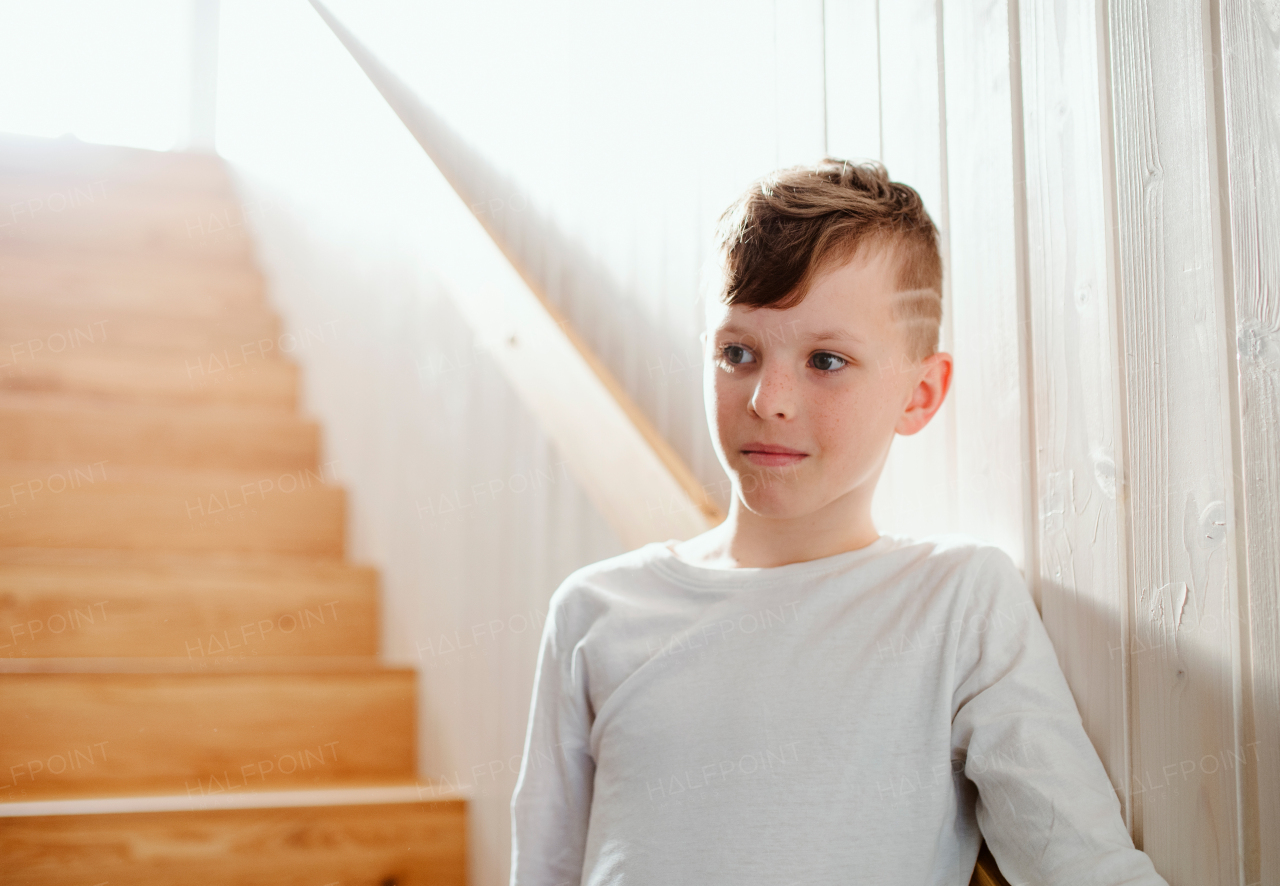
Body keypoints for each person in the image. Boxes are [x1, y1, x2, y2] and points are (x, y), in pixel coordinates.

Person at [508, 158, 1168, 885]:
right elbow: (544, 868)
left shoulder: (957, 600)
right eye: (738, 353)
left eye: (826, 359)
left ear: (919, 394)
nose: (769, 400)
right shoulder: (595, 612)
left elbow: (1081, 865)